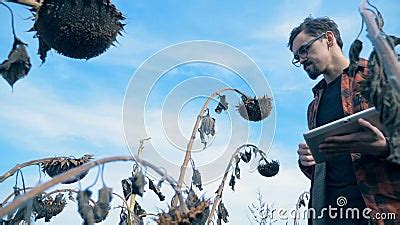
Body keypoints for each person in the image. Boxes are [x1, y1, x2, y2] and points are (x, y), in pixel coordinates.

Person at [288, 16, 400, 225]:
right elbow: (330, 164)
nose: (301, 60)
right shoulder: (313, 107)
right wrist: (309, 161)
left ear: (328, 39)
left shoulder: (379, 76)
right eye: (297, 57)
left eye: (304, 50)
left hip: (381, 211)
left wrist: (385, 147)